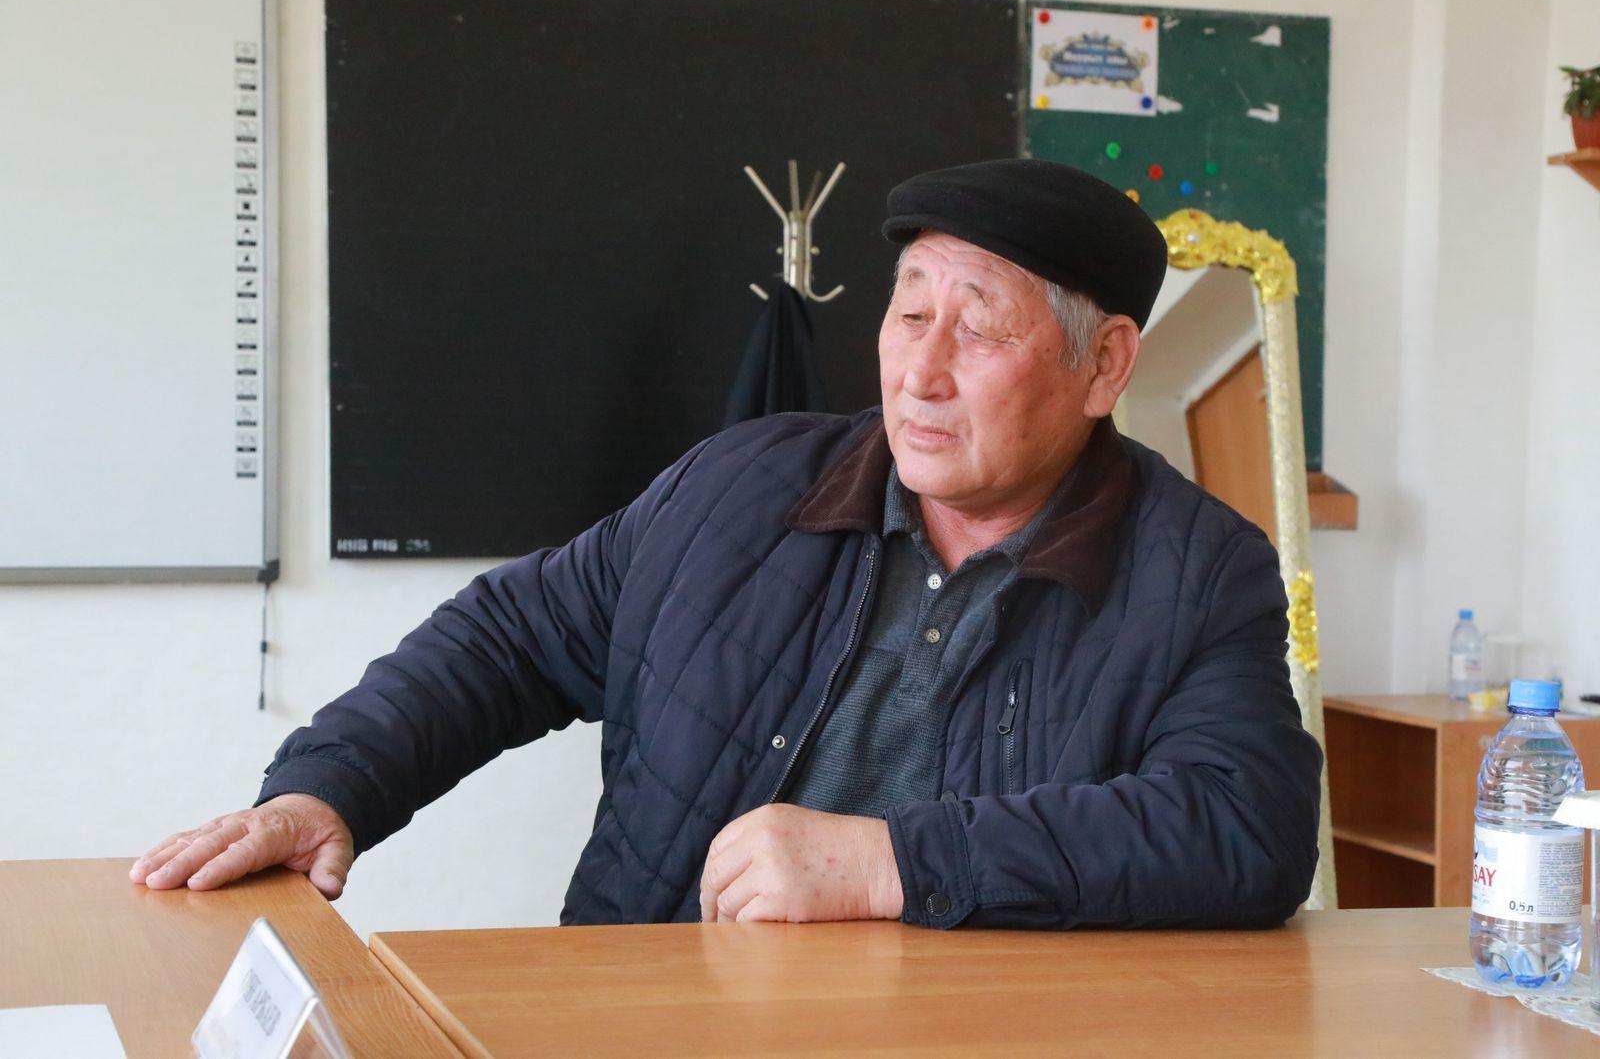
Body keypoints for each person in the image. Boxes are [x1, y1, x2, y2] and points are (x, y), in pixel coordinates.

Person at [131, 159, 1322, 930]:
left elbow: (1244, 828)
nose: (921, 369)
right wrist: (329, 785)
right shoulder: (742, 486)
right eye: (909, 312)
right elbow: (508, 639)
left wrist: (894, 860)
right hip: (653, 1014)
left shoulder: (1196, 569)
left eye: (978, 331)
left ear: (1103, 365)